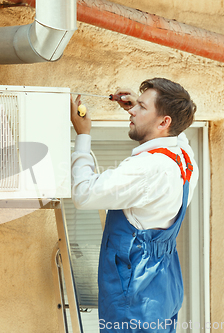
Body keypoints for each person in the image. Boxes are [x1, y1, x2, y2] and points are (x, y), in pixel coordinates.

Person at [70, 78, 199, 332]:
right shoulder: (184, 156)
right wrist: (139, 106)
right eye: (134, 105)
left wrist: (83, 134)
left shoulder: (146, 167)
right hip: (165, 286)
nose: (131, 111)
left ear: (164, 122)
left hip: (135, 291)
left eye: (141, 107)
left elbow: (84, 194)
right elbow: (177, 131)